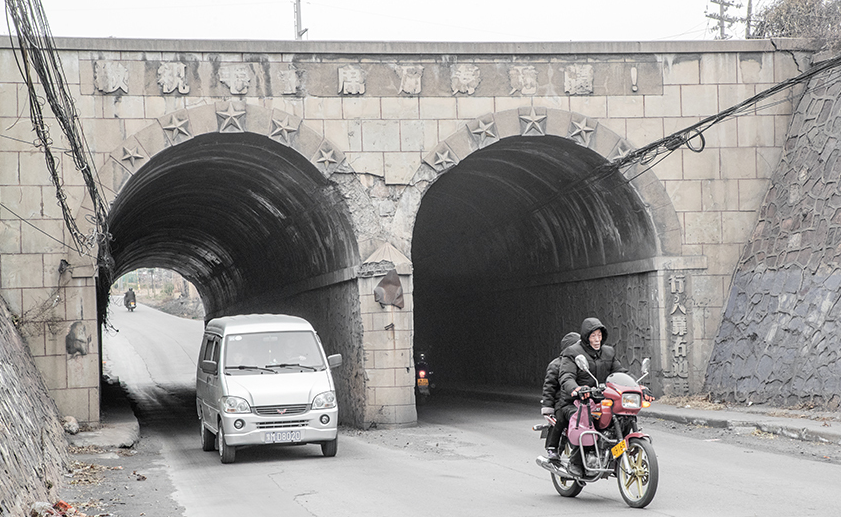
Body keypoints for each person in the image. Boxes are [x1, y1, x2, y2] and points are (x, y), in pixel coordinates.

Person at [549, 317, 627, 476]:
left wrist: (638, 386)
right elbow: (566, 377)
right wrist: (576, 389)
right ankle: (576, 462)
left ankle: (618, 453)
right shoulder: (573, 353)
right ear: (586, 337)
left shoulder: (608, 352)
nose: (597, 339)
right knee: (584, 418)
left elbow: (620, 372)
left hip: (601, 400)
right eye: (593, 336)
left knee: (622, 415)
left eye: (599, 335)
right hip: (574, 401)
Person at [541, 331, 581, 460]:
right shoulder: (556, 365)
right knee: (559, 420)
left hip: (580, 400)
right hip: (561, 401)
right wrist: (548, 408)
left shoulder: (583, 364)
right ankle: (552, 447)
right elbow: (549, 388)